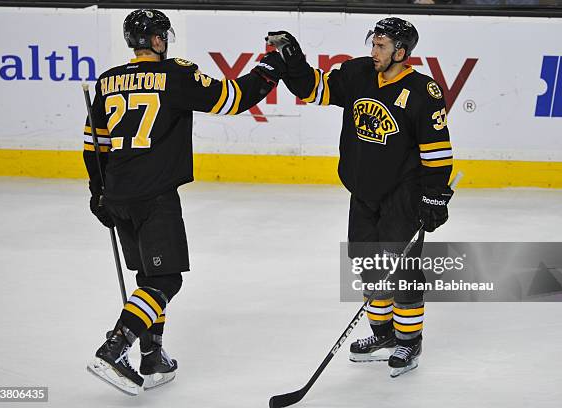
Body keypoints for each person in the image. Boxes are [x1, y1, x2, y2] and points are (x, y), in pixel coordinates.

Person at [83, 9, 284, 395]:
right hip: (154, 196)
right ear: (157, 40)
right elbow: (233, 98)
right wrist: (270, 66)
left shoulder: (107, 82)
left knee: (148, 280)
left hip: (119, 196)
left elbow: (95, 146)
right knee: (165, 279)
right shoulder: (176, 74)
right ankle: (115, 347)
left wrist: (98, 192)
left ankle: (152, 356)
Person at [268, 17, 453, 377]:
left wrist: (434, 197)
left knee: (402, 270)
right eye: (373, 44)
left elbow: (437, 152)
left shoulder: (422, 92)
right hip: (363, 192)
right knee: (369, 265)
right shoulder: (358, 74)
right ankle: (383, 335)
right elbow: (314, 90)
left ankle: (409, 340)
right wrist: (292, 58)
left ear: (401, 52)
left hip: (404, 192)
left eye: (381, 46)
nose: (374, 52)